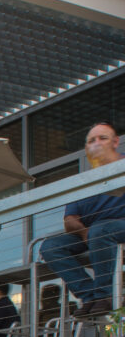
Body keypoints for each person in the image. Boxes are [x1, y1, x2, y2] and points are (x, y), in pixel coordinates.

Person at [40, 122, 125, 318]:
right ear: (86, 147)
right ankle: (90, 296)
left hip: (118, 227)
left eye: (102, 138)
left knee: (100, 230)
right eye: (91, 140)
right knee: (50, 247)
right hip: (91, 233)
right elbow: (69, 220)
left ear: (115, 142)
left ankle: (105, 296)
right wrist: (84, 232)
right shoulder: (82, 182)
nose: (96, 143)